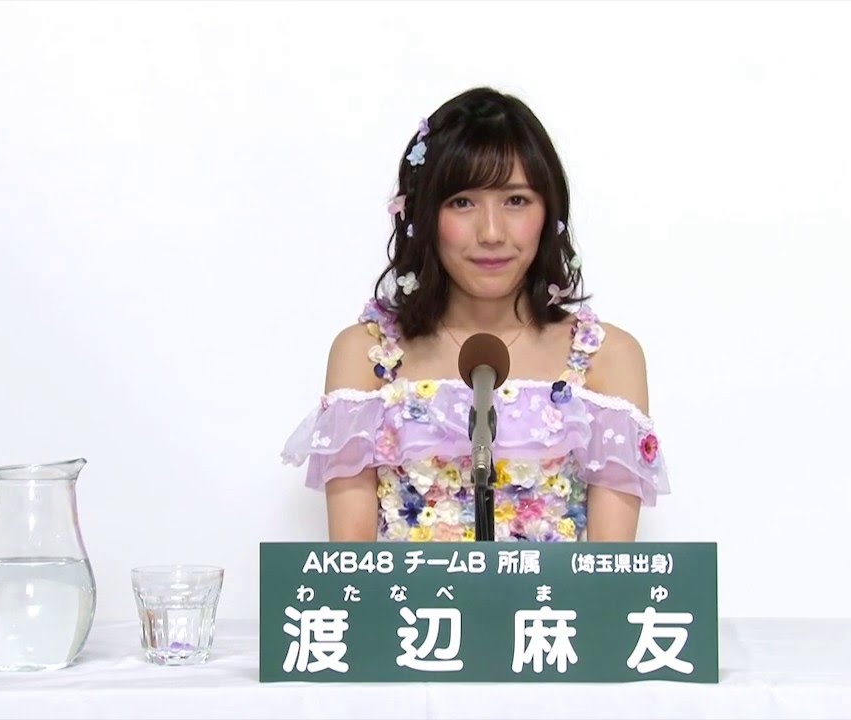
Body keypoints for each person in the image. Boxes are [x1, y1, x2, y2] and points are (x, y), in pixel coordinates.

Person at [282, 87, 669, 542]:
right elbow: (352, 567)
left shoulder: (607, 357)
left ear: (550, 212)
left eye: (516, 201)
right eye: (462, 202)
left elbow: (612, 572)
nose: (491, 232)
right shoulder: (366, 354)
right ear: (424, 215)